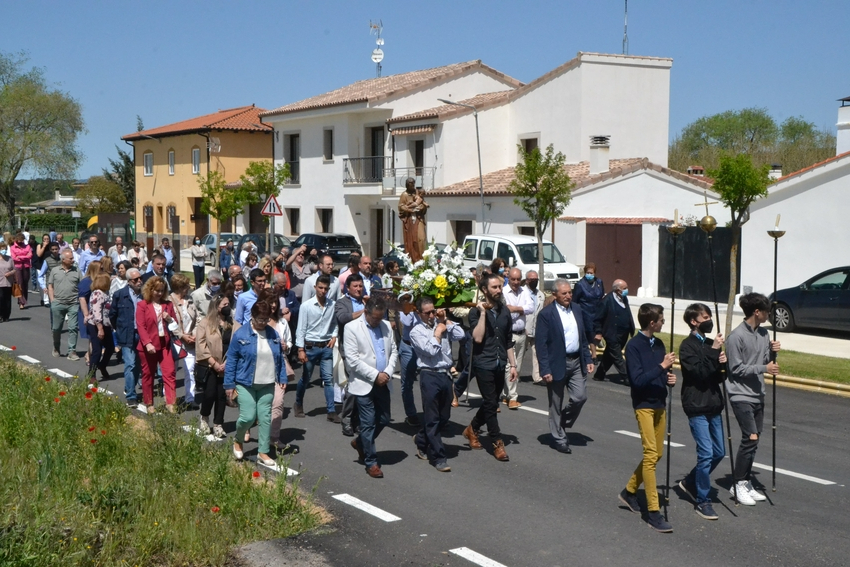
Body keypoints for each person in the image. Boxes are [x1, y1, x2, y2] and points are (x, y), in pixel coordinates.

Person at [618, 303, 677, 533]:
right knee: (651, 455)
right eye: (661, 319)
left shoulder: (659, 344)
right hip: (643, 405)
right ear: (652, 322)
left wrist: (668, 378)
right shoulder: (633, 346)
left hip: (660, 403)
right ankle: (653, 512)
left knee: (657, 453)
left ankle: (630, 491)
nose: (663, 322)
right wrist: (662, 367)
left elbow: (659, 374)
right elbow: (638, 380)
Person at [726, 292, 781, 506]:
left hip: (758, 394)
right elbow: (736, 368)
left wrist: (773, 353)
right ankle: (738, 483)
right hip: (740, 395)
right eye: (767, 311)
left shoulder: (764, 334)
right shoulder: (736, 336)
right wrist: (764, 367)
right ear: (757, 312)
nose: (769, 315)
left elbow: (766, 360)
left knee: (755, 439)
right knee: (750, 438)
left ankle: (746, 481)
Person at [677, 303, 727, 519]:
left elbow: (718, 376)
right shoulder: (687, 347)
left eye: (709, 316)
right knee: (706, 453)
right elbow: (699, 373)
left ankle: (690, 481)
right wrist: (714, 351)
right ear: (693, 321)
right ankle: (702, 500)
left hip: (713, 403)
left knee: (719, 452)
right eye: (704, 317)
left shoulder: (709, 343)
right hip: (696, 405)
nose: (708, 320)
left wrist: (723, 363)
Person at [224, 300, 288, 468]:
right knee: (248, 417)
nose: (262, 322)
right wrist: (229, 385)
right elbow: (231, 360)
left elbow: (280, 357)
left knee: (266, 418)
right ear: (252, 316)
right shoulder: (241, 334)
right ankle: (238, 440)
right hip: (245, 382)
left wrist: (282, 377)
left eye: (266, 319)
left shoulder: (273, 334)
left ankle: (263, 452)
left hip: (267, 383)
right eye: (260, 319)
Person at [535, 279, 594, 454]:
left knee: (579, 397)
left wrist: (588, 359)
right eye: (564, 293)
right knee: (555, 402)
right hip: (556, 364)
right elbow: (541, 344)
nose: (568, 296)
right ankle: (559, 438)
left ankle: (561, 423)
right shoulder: (546, 314)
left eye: (570, 292)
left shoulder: (577, 309)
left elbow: (582, 337)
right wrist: (545, 369)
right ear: (555, 295)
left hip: (576, 361)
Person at [463, 273, 518, 462]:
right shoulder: (475, 312)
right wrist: (484, 313)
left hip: (500, 362)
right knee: (491, 404)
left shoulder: (505, 312)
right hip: (483, 363)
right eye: (494, 287)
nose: (499, 290)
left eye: (500, 287)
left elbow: (508, 341)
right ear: (484, 290)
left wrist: (513, 365)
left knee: (491, 403)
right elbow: (477, 338)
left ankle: (472, 429)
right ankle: (497, 442)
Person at [410, 296, 465, 472]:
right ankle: (438, 457)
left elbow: (461, 335)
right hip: (429, 374)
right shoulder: (416, 332)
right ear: (419, 313)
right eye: (428, 313)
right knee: (432, 418)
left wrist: (445, 321)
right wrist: (438, 333)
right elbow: (431, 351)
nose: (432, 315)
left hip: (445, 375)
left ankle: (421, 438)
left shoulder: (440, 324)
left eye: (433, 311)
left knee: (444, 417)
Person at [344, 296, 398, 478]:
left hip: (384, 381)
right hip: (364, 383)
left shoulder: (385, 327)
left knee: (384, 419)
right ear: (366, 312)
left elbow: (393, 352)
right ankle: (371, 462)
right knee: (367, 423)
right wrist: (375, 375)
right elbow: (352, 360)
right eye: (374, 317)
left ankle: (360, 443)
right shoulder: (351, 328)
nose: (377, 321)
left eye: (380, 317)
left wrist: (388, 373)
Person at [294, 274, 339, 422]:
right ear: (315, 288)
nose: (323, 291)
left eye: (326, 289)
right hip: (310, 346)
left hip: (326, 346)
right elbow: (301, 329)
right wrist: (300, 349)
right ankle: (298, 403)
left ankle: (331, 411)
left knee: (328, 379)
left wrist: (334, 335)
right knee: (306, 378)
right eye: (320, 288)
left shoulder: (332, 305)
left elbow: (334, 323)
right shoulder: (306, 306)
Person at [136, 276, 179, 414]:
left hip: (165, 344)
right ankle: (149, 403)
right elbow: (141, 326)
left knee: (169, 373)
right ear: (150, 290)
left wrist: (169, 319)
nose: (160, 293)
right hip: (148, 346)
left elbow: (175, 325)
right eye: (157, 290)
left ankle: (171, 403)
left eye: (162, 290)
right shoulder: (142, 305)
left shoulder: (168, 305)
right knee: (148, 375)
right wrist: (147, 343)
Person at [195, 294, 233, 439]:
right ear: (216, 307)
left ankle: (218, 424)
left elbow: (236, 344)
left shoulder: (232, 324)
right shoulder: (205, 323)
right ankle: (204, 418)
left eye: (228, 304)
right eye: (224, 305)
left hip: (226, 365)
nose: (227, 307)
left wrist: (227, 362)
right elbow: (201, 345)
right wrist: (214, 363)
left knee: (222, 396)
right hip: (210, 365)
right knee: (209, 394)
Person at [335, 273, 367, 436]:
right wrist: (364, 311)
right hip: (349, 349)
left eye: (360, 286)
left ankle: (358, 420)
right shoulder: (342, 303)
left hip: (366, 349)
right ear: (348, 288)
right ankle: (347, 419)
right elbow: (343, 318)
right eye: (355, 286)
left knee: (364, 385)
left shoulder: (366, 301)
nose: (358, 289)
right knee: (353, 385)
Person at [263, 288, 294, 452]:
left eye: (275, 302)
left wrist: (285, 346)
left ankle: (274, 437)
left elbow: (289, 342)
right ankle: (247, 427)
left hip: (279, 367)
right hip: (260, 367)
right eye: (270, 302)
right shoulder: (257, 321)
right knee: (258, 404)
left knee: (278, 402)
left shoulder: (282, 322)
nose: (273, 305)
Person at [109, 268, 143, 408]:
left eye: (140, 278)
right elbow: (112, 315)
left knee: (138, 365)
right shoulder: (119, 295)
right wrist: (119, 329)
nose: (139, 281)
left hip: (141, 334)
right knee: (130, 364)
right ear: (129, 282)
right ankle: (131, 396)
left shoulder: (145, 295)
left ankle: (129, 385)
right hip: (126, 333)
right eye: (136, 280)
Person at [501, 268, 534, 409]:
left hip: (522, 333)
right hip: (509, 334)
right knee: (510, 366)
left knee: (517, 367)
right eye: (513, 279)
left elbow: (531, 307)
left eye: (517, 279)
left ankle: (505, 393)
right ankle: (513, 397)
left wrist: (515, 309)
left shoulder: (524, 292)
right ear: (509, 278)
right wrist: (520, 309)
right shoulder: (503, 292)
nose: (515, 282)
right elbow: (505, 311)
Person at [593, 279, 635, 382]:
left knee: (610, 354)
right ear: (617, 290)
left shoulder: (624, 298)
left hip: (623, 333)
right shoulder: (606, 301)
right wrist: (598, 332)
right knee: (618, 357)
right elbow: (597, 318)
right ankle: (628, 377)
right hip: (612, 333)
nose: (626, 290)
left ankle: (599, 374)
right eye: (624, 288)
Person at [170, 274, 198, 409]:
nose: (189, 288)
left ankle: (190, 398)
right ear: (179, 287)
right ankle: (169, 399)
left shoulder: (190, 300)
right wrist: (181, 335)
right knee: (171, 371)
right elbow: (169, 322)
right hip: (174, 341)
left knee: (190, 370)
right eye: (186, 285)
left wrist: (194, 334)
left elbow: (197, 319)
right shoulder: (168, 301)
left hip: (190, 341)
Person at [48, 249, 81, 359]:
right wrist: (52, 300)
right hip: (58, 303)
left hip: (73, 304)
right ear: (63, 260)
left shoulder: (77, 271)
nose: (73, 260)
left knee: (73, 328)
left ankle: (72, 351)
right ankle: (56, 347)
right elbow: (50, 285)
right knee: (56, 328)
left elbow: (82, 285)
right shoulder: (55, 271)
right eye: (70, 258)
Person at [85, 273, 114, 384]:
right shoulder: (98, 293)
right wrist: (100, 328)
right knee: (97, 350)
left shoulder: (105, 293)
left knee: (110, 348)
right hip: (96, 325)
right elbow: (97, 312)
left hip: (106, 325)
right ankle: (91, 374)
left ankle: (102, 365)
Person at [573, 262, 605, 361]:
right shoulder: (580, 284)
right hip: (585, 312)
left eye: (591, 273)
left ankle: (595, 349)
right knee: (590, 333)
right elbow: (575, 300)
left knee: (598, 332)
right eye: (588, 272)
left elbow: (602, 294)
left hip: (598, 311)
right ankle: (593, 355)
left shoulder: (599, 282)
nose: (590, 275)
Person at [398, 306, 421, 426]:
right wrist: (412, 308)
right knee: (407, 382)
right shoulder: (405, 303)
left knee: (431, 381)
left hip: (425, 345)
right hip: (409, 347)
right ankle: (411, 414)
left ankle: (436, 414)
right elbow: (407, 322)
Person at [397, 177, 429, 262]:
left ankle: (422, 258)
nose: (413, 187)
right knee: (412, 240)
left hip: (418, 218)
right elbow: (400, 206)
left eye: (413, 184)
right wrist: (409, 209)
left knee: (421, 238)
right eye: (411, 185)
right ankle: (414, 259)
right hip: (410, 219)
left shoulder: (417, 192)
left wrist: (422, 207)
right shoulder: (404, 195)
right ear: (407, 185)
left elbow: (422, 202)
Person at [77, 260, 102, 364]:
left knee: (94, 337)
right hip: (89, 311)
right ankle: (90, 357)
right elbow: (82, 298)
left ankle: (89, 355)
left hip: (98, 311)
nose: (103, 270)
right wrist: (86, 315)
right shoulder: (86, 281)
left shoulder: (98, 280)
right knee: (93, 335)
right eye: (101, 269)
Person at [523, 270, 546, 384]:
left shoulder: (541, 295)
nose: (534, 282)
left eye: (536, 280)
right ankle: (514, 374)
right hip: (524, 328)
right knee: (519, 353)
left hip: (537, 328)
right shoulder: (522, 293)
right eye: (532, 280)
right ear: (527, 280)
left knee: (537, 353)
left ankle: (537, 377)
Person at [10, 233, 32, 309]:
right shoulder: (13, 247)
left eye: (21, 240)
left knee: (25, 283)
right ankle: (21, 302)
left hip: (26, 266)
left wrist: (21, 257)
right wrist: (25, 256)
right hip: (17, 267)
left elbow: (30, 255)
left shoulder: (27, 246)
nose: (20, 241)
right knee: (19, 284)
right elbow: (14, 258)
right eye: (19, 240)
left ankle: (24, 299)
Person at [0, 242, 16, 322]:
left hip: (8, 282)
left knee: (7, 299)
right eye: (2, 249)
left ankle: (6, 315)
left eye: (5, 249)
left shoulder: (10, 259)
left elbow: (14, 269)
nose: (4, 251)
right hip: (0, 283)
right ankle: (0, 315)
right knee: (1, 299)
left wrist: (10, 273)